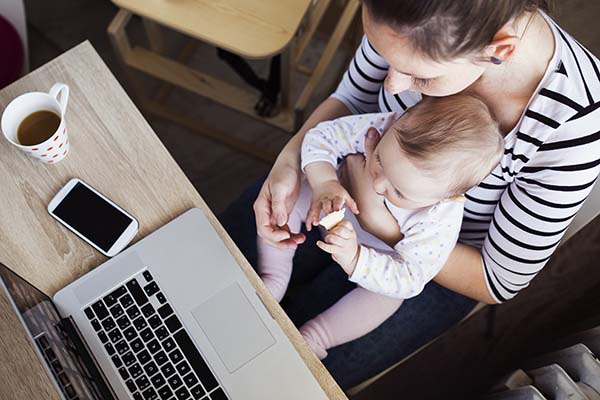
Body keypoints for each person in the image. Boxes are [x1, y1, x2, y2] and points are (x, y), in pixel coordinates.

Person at [220, 0, 600, 389]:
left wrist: (382, 223)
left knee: (274, 378)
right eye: (385, 57)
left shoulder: (576, 123)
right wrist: (289, 161)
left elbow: (496, 279)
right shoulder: (408, 12)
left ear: (498, 50)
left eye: (419, 77)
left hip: (434, 263)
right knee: (215, 286)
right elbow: (353, 98)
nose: (393, 85)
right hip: (337, 177)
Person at [257, 94, 504, 359]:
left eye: (398, 191)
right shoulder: (386, 126)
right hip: (330, 203)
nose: (377, 186)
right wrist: (324, 182)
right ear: (397, 122)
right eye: (380, 162)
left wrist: (356, 258)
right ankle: (273, 276)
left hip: (378, 253)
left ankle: (317, 336)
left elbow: (410, 276)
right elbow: (322, 137)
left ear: (447, 197)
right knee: (292, 196)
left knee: (388, 297)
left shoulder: (440, 217)